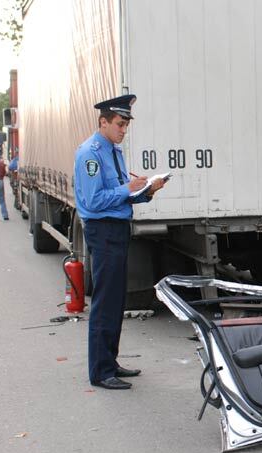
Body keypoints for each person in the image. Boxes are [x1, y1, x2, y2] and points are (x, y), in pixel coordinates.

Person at [74, 94, 165, 390]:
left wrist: (148, 190)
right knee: (105, 302)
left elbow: (121, 194)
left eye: (126, 124)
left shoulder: (113, 151)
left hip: (117, 228)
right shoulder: (90, 154)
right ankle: (101, 372)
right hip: (103, 231)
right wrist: (128, 188)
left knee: (116, 301)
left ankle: (110, 362)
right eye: (120, 123)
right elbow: (94, 200)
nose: (124, 129)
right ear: (103, 122)